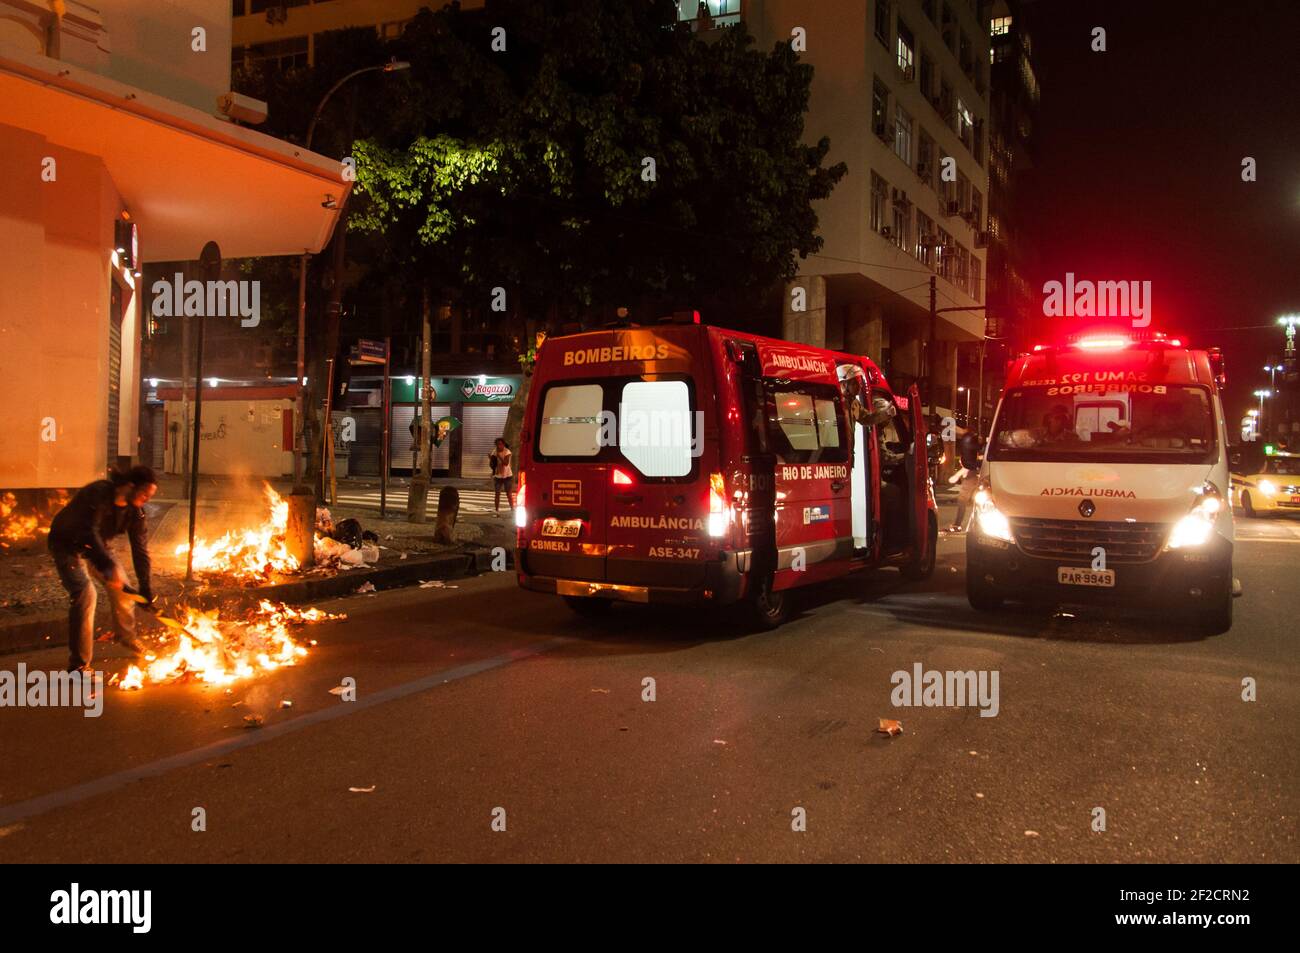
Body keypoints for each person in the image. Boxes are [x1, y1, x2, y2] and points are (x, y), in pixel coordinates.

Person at [47, 465, 158, 674]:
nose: (146, 499)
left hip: (98, 547)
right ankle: (79, 665)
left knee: (124, 590)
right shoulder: (98, 493)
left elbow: (140, 550)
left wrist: (145, 587)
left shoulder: (135, 513)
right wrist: (107, 567)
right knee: (85, 594)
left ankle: (126, 637)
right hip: (67, 544)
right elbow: (89, 531)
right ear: (130, 486)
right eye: (144, 493)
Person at [948, 425, 983, 533]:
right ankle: (976, 525)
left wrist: (958, 475)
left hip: (970, 474)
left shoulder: (967, 439)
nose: (955, 431)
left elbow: (968, 463)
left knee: (962, 500)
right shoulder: (970, 439)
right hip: (971, 472)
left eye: (956, 429)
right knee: (975, 499)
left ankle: (957, 525)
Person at [491, 438, 515, 514]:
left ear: (503, 444)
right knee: (497, 493)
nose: (499, 446)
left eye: (501, 444)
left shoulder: (507, 451)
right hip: (498, 476)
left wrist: (499, 456)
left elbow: (505, 463)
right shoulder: (494, 451)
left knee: (508, 493)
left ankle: (512, 508)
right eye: (497, 444)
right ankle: (497, 509)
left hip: (507, 476)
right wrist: (491, 460)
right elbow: (492, 463)